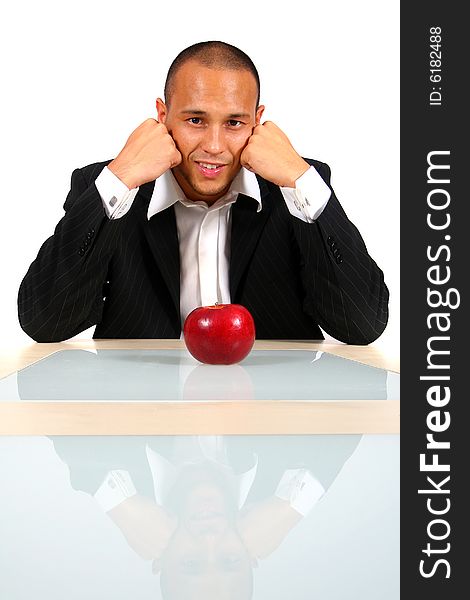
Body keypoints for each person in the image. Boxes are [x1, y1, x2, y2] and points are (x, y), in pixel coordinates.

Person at [18, 41, 389, 344]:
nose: (213, 145)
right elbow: (44, 322)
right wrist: (120, 177)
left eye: (234, 123)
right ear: (163, 116)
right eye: (195, 120)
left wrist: (300, 180)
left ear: (258, 122)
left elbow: (363, 326)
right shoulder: (111, 189)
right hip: (142, 421)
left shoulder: (294, 189)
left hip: (272, 417)